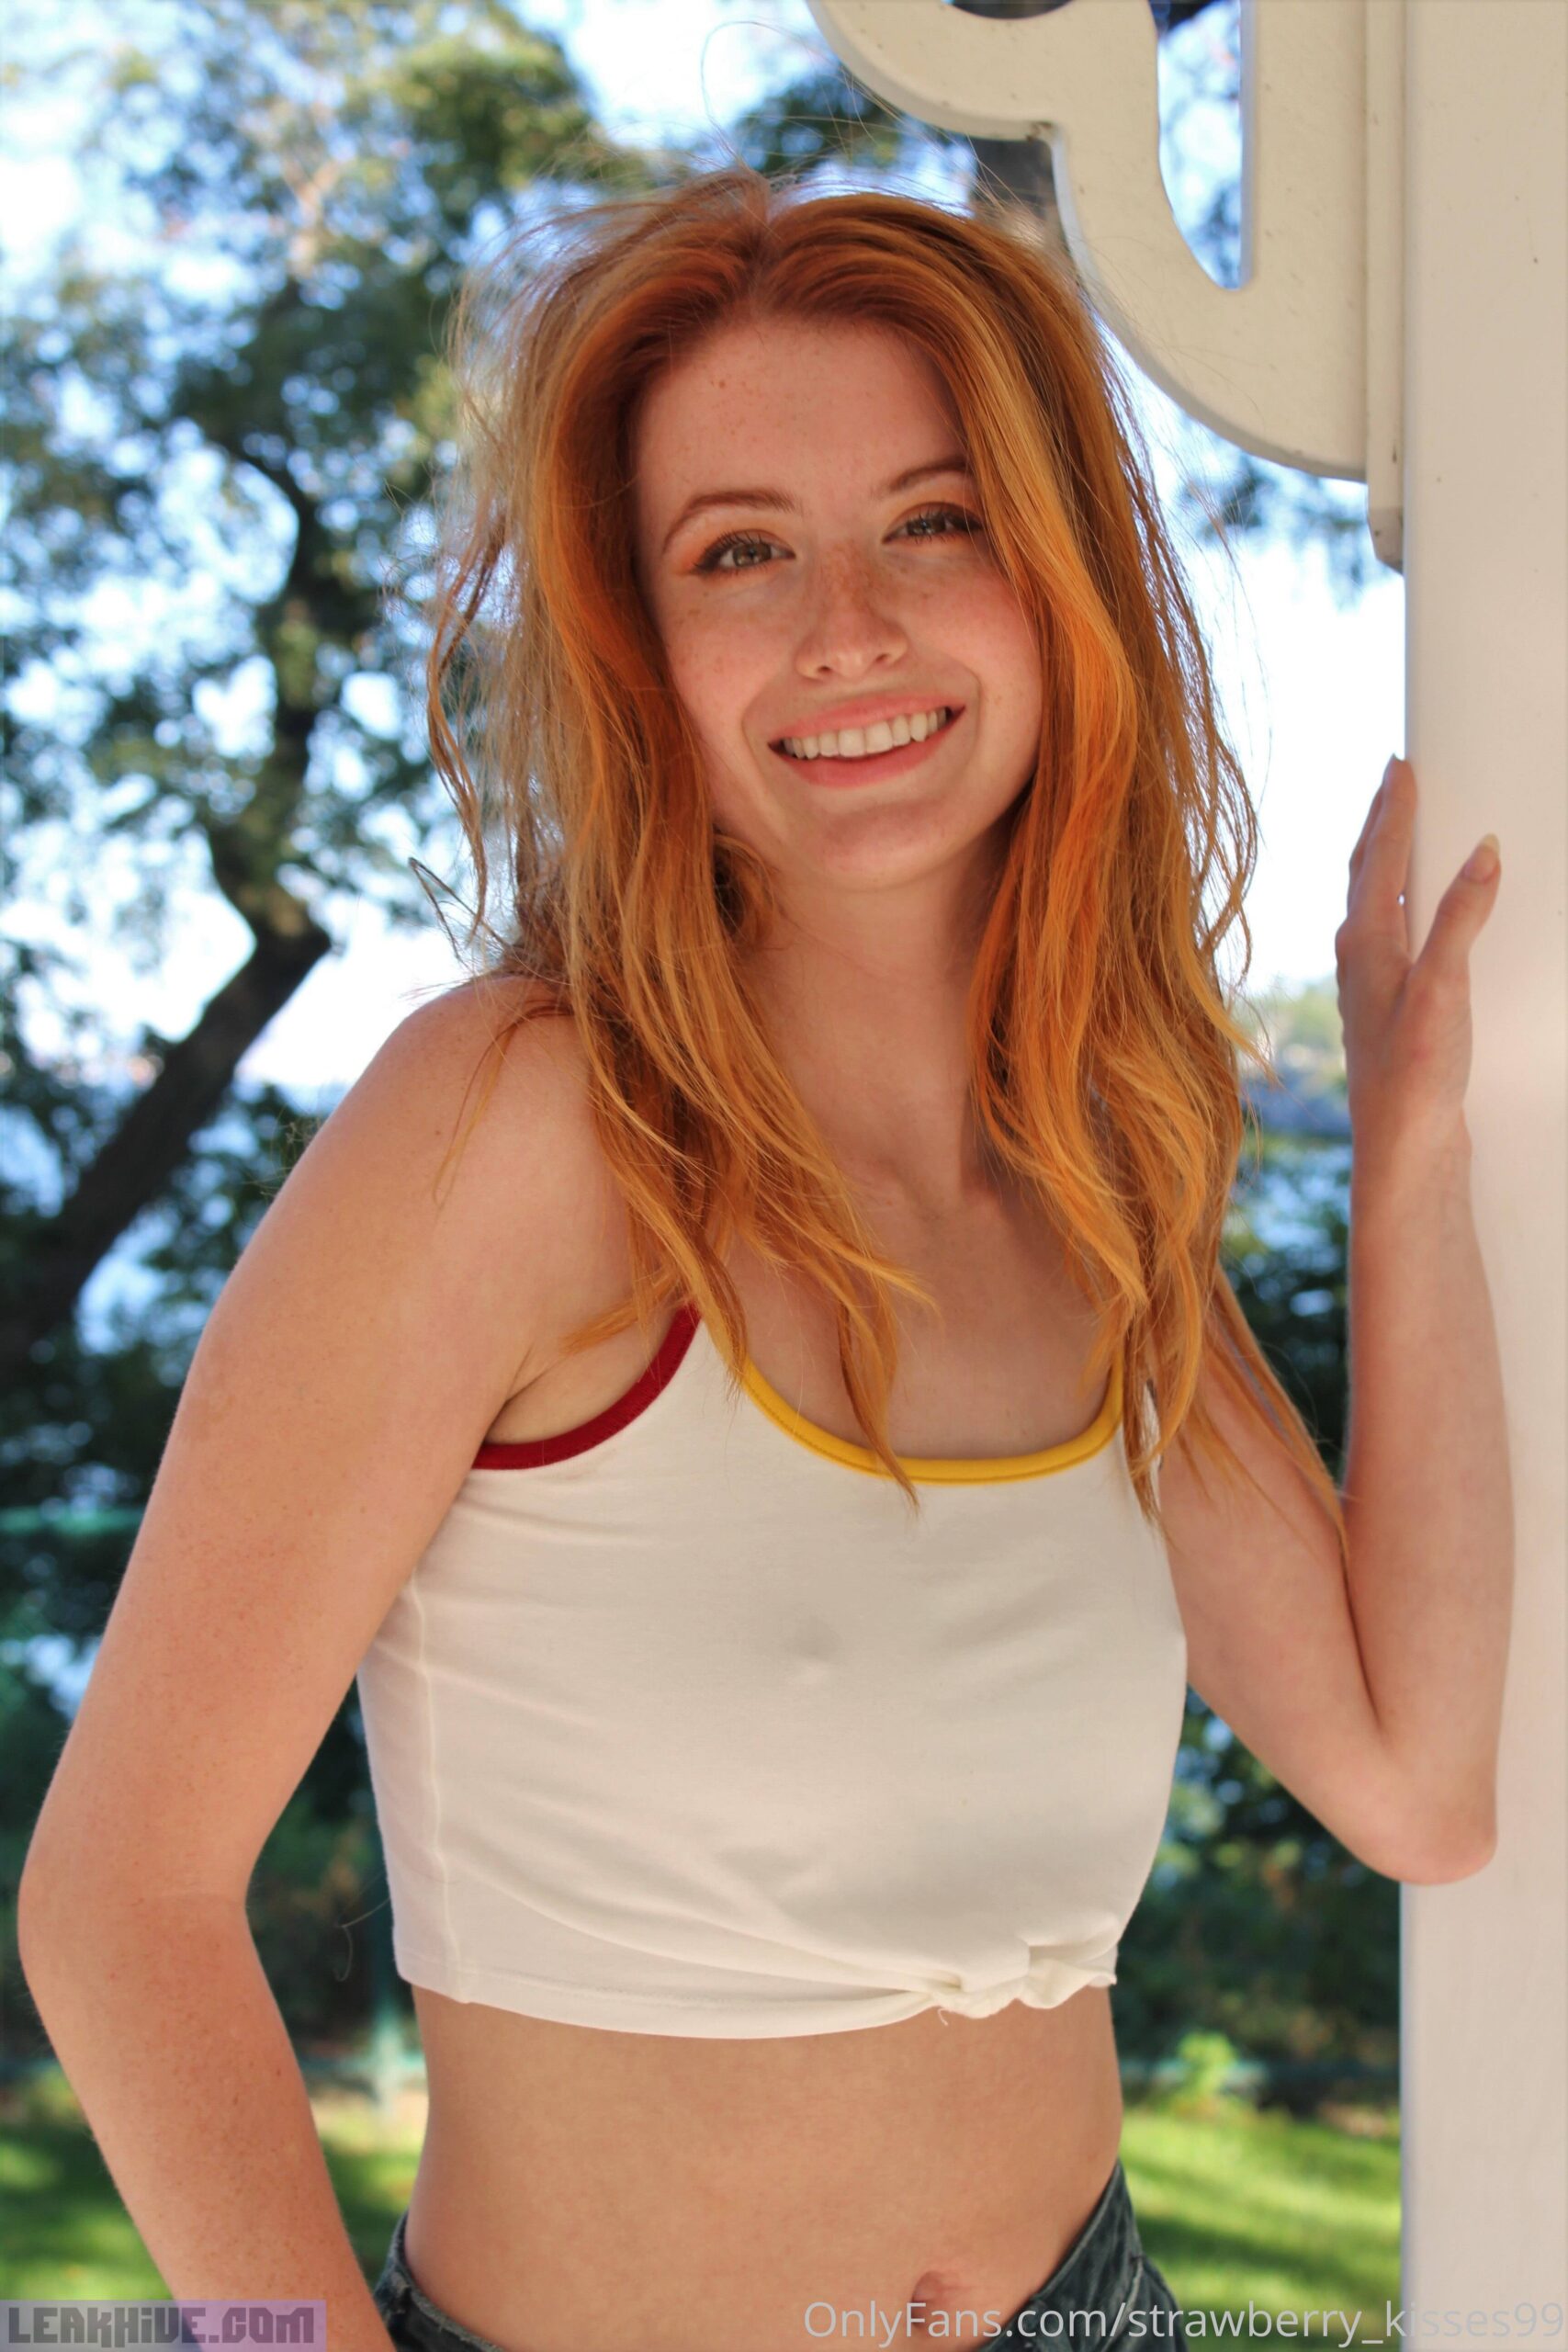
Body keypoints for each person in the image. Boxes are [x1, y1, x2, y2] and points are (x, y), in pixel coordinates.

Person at [20, 163, 1501, 2352]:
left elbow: (1410, 1777)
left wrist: (1402, 1152)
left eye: (932, 520)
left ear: (1054, 580)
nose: (847, 628)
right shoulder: (513, 1122)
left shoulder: (1091, 1179)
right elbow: (117, 1902)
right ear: (638, 642)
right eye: (740, 550)